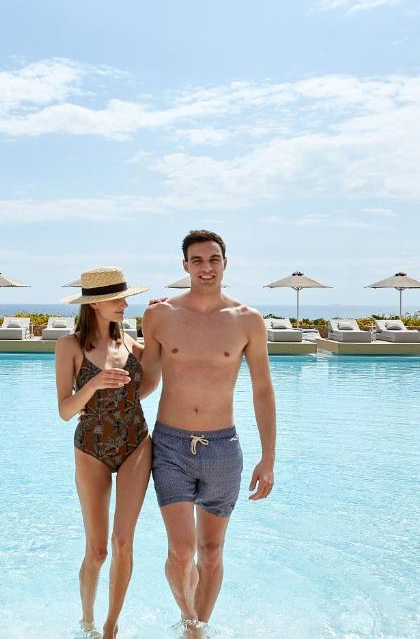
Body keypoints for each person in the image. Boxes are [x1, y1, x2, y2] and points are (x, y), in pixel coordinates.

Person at [140, 229, 276, 636]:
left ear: (225, 263)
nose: (206, 267)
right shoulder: (159, 315)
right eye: (197, 260)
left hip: (222, 448)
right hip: (170, 444)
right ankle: (189, 620)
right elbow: (147, 380)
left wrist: (268, 458)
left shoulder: (248, 320)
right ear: (185, 266)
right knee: (182, 552)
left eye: (213, 259)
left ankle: (198, 626)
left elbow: (263, 389)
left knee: (211, 552)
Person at [55, 267, 155, 639]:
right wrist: (94, 384)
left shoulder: (132, 344)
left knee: (122, 542)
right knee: (97, 551)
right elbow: (65, 410)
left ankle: (111, 626)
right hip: (91, 449)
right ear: (95, 304)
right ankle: (88, 620)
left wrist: (161, 320)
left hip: (136, 444)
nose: (125, 305)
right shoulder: (69, 347)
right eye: (118, 299)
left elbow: (145, 387)